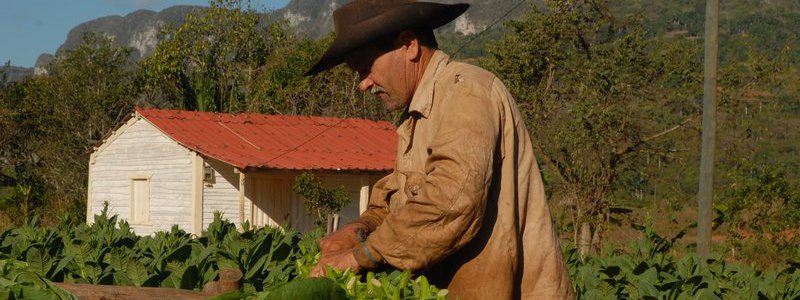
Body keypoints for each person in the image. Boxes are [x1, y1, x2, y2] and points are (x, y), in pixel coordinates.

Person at [304, 0, 573, 298]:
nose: (363, 84)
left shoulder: (466, 93)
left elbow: (451, 201)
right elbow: (396, 203)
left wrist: (357, 257)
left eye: (366, 67)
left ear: (409, 45)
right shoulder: (417, 117)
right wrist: (357, 229)